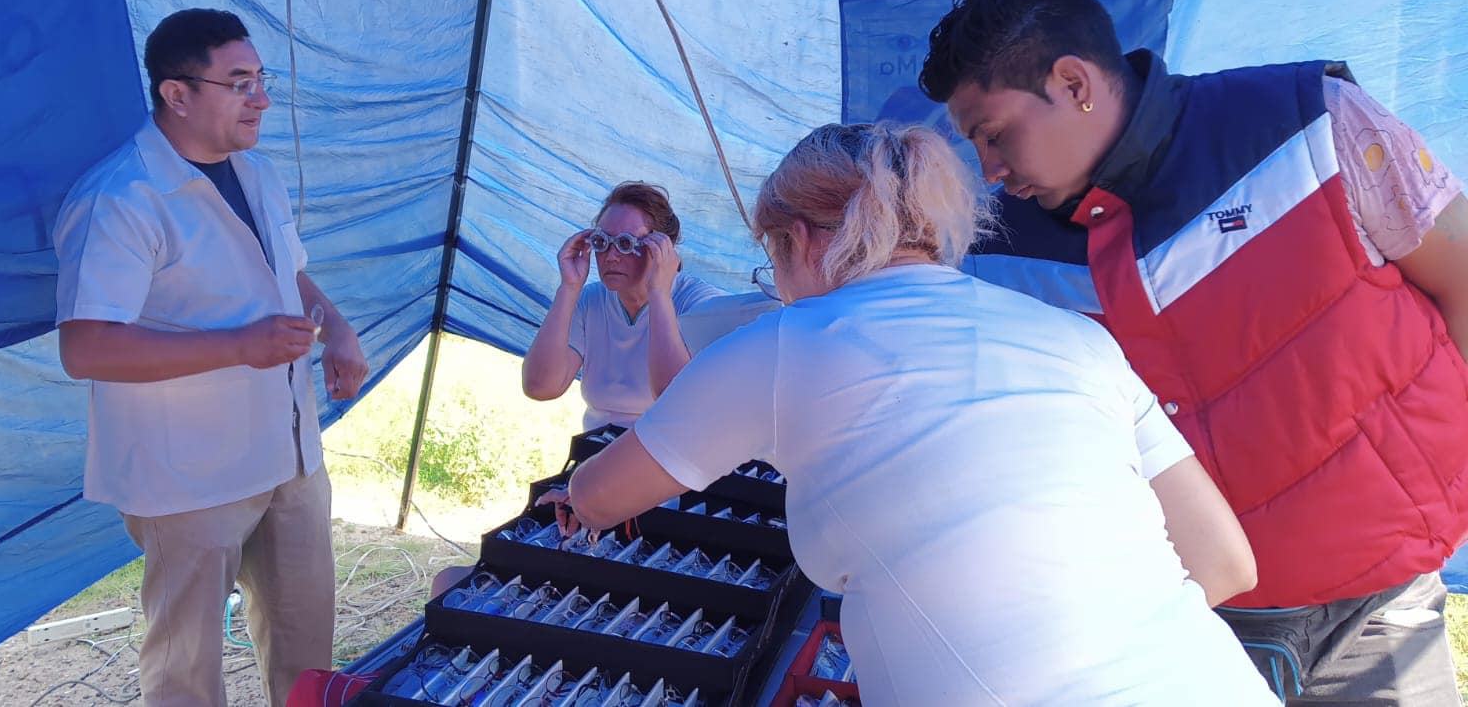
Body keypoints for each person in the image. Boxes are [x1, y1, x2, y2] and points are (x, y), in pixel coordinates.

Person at [542, 122, 1277, 706]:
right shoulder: (1078, 337)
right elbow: (1225, 561)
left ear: (795, 239)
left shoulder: (789, 337)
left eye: (774, 259)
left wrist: (573, 495)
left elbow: (604, 494)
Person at [920, 0, 1468, 705]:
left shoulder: (1310, 121)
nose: (988, 171)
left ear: (1075, 84)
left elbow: (1461, 271)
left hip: (1380, 606)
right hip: (1182, 627)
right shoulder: (1001, 253)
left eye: (994, 134)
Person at [53, 9, 369, 707]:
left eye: (261, 79)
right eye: (239, 82)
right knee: (185, 668)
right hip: (188, 473)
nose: (259, 98)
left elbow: (287, 269)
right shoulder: (120, 198)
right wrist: (237, 346)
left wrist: (339, 328)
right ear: (177, 93)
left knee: (306, 645)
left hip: (289, 454)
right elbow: (86, 345)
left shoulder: (255, 172)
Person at [521, 181, 723, 431]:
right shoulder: (591, 300)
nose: (611, 256)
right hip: (600, 448)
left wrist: (659, 292)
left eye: (626, 244)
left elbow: (676, 396)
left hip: (669, 455)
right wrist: (568, 288)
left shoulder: (698, 303)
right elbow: (540, 387)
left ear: (662, 248)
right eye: (602, 242)